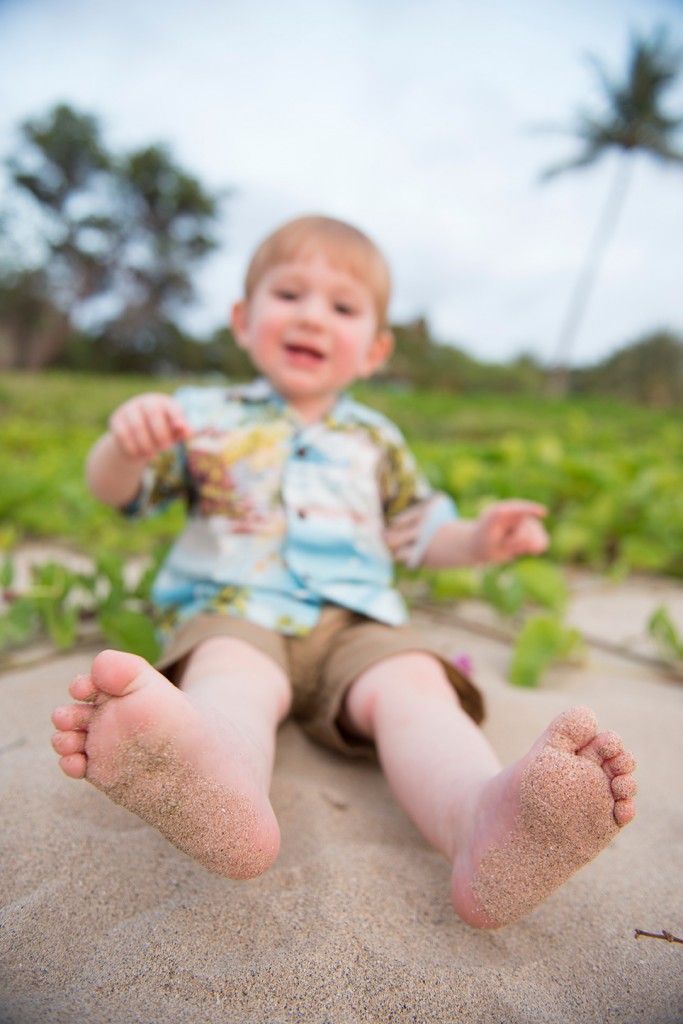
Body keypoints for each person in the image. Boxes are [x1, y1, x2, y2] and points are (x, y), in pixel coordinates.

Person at [51, 215, 636, 929]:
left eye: (341, 307)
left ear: (373, 350)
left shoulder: (376, 441)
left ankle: (478, 817)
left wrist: (478, 537)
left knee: (415, 689)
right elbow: (117, 493)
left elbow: (421, 533)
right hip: (237, 607)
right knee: (231, 677)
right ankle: (219, 780)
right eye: (289, 294)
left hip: (358, 618)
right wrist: (124, 444)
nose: (312, 318)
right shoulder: (197, 417)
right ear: (242, 319)